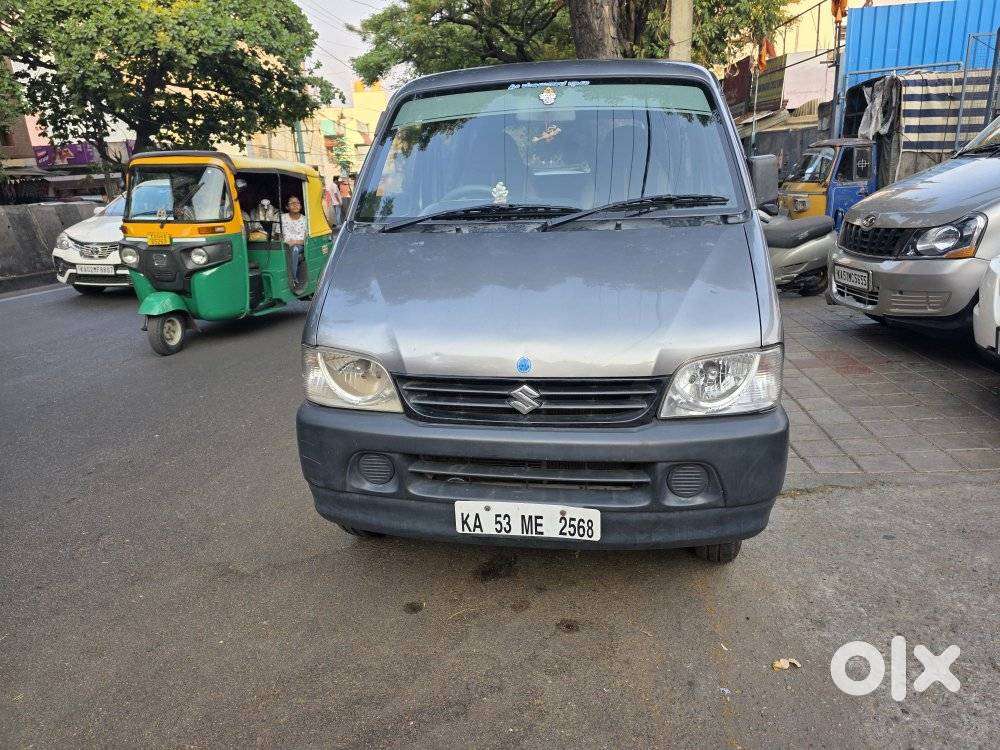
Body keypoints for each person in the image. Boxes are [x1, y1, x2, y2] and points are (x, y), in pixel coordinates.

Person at [282, 195, 307, 287]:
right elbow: (276, 235)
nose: (295, 205)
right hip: (283, 245)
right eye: (292, 203)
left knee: (295, 249)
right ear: (287, 207)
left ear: (300, 206)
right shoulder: (282, 218)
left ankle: (293, 278)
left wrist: (294, 242)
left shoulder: (305, 219)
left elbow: (306, 240)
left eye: (297, 203)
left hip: (299, 246)